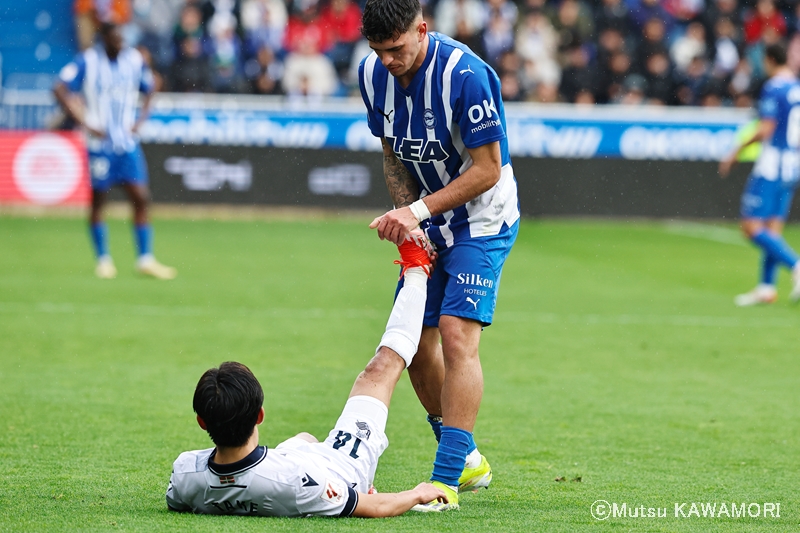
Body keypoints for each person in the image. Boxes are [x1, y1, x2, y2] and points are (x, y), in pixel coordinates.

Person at [358, 0, 520, 511]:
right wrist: (411, 216)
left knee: (455, 334)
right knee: (413, 347)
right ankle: (466, 455)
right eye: (378, 51)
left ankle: (446, 482)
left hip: (483, 221)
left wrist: (417, 211)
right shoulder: (372, 75)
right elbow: (392, 153)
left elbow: (488, 168)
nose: (388, 60)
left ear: (422, 30)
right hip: (427, 218)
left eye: (397, 48)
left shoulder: (467, 75)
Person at [166, 233, 449, 517]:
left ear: (202, 421)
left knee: (304, 438)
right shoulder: (297, 481)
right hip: (340, 467)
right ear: (259, 415)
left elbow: (192, 495)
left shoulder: (184, 474)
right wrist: (416, 493)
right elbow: (373, 507)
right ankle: (416, 268)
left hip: (283, 462)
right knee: (382, 368)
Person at [54, 22, 177, 280]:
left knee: (141, 196)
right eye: (115, 39)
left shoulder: (134, 60)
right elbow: (60, 88)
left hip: (127, 142)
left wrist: (140, 119)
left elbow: (152, 85)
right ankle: (103, 260)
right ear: (104, 39)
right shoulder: (88, 61)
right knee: (99, 200)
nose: (120, 42)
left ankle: (145, 259)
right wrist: (85, 122)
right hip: (100, 144)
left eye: (122, 38)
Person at [719, 42, 800, 306]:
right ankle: (766, 287)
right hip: (792, 164)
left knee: (751, 226)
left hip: (772, 164)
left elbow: (766, 128)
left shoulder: (774, 87)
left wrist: (736, 150)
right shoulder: (797, 88)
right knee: (771, 230)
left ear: (768, 60)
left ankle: (796, 264)